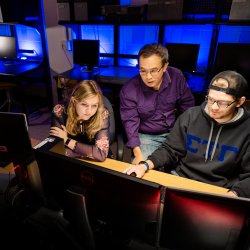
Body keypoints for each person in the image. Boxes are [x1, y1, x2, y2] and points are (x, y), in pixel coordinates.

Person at [123, 70, 250, 198]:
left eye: (223, 103)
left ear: (240, 102)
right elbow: (169, 149)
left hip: (220, 190)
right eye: (210, 99)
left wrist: (233, 195)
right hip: (181, 180)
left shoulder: (247, 129)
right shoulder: (190, 115)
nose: (214, 107)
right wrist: (144, 165)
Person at [120, 43, 195, 164]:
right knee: (143, 168)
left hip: (175, 132)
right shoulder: (129, 90)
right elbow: (130, 124)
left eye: (153, 71)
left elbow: (188, 108)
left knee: (193, 165)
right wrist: (138, 154)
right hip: (147, 137)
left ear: (165, 66)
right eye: (143, 71)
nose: (148, 77)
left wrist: (187, 134)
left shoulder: (177, 76)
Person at [49, 80, 111, 162]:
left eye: (94, 106)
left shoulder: (102, 114)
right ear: (74, 101)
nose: (89, 111)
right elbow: (57, 149)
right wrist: (87, 151)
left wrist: (67, 140)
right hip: (70, 160)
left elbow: (101, 154)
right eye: (84, 104)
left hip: (96, 162)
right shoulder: (59, 112)